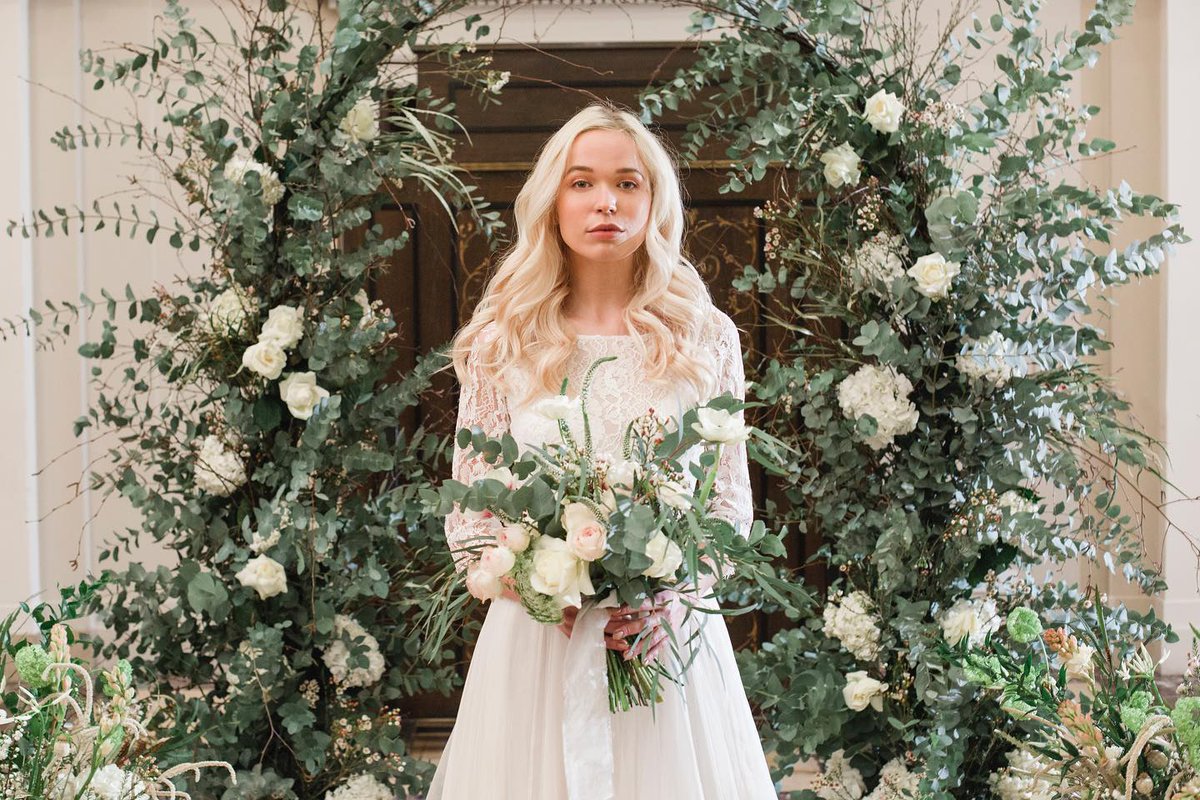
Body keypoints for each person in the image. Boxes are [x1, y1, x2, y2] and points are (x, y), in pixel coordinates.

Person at [426, 102, 777, 800]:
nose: (605, 202)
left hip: (659, 644)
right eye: (582, 183)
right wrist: (536, 584)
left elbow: (729, 507)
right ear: (552, 202)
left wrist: (664, 598)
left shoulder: (705, 338)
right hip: (536, 650)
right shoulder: (504, 337)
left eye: (628, 182)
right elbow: (470, 513)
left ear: (655, 201)